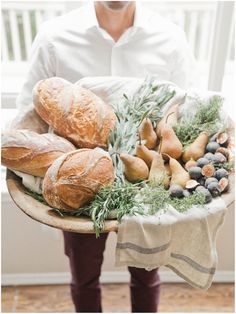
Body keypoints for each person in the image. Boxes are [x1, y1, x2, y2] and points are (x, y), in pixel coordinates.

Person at [16, 1, 197, 312]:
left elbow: (187, 114)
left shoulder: (170, 38)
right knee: (84, 278)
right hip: (78, 184)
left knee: (147, 277)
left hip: (147, 189)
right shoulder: (54, 37)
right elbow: (27, 118)